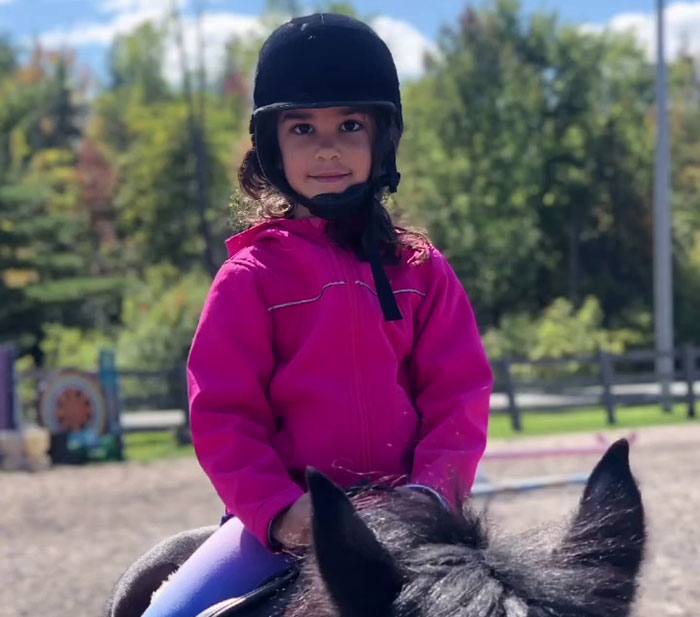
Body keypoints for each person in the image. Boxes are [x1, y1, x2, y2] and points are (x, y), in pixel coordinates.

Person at [142, 12, 493, 617]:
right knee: (165, 614)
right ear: (272, 148)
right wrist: (278, 510)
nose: (327, 147)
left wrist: (430, 496)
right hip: (283, 530)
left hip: (414, 523)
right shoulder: (250, 280)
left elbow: (458, 395)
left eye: (349, 125)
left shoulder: (421, 270)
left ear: (381, 140)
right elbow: (225, 415)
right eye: (303, 128)